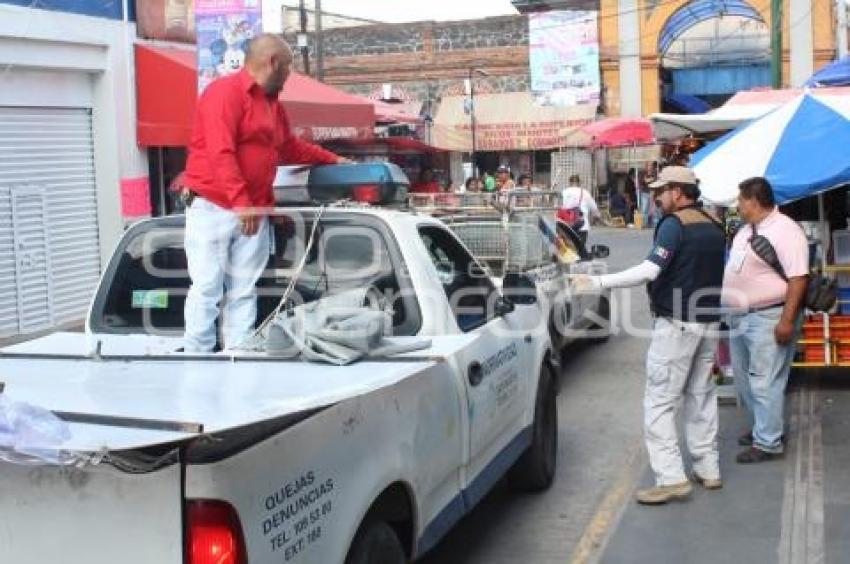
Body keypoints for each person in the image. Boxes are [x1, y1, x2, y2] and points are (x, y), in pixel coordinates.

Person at [181, 34, 346, 353]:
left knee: (243, 290)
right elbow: (221, 152)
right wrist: (242, 204)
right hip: (215, 207)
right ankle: (197, 355)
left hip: (253, 209)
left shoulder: (272, 105)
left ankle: (238, 354)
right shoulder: (224, 93)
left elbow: (289, 147)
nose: (289, 74)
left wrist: (332, 159)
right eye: (288, 66)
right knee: (207, 288)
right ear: (273, 63)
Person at [577, 166, 727, 504]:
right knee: (701, 397)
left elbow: (649, 271)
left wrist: (598, 282)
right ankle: (708, 468)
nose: (656, 198)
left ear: (677, 191)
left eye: (660, 191)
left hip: (677, 325)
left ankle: (671, 477)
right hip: (709, 323)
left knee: (659, 401)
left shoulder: (675, 226)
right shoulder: (714, 224)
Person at [722, 177, 808, 464]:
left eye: (740, 200)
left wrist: (786, 321)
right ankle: (765, 428)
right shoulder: (746, 230)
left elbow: (798, 280)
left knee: (765, 381)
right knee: (746, 380)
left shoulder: (786, 231)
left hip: (768, 316)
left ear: (753, 201)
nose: (737, 205)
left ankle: (768, 442)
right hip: (740, 317)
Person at [560, 174, 601, 245]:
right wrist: (597, 216)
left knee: (567, 250)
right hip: (582, 226)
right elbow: (594, 208)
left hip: (566, 226)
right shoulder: (585, 193)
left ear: (569, 183)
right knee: (580, 249)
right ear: (579, 183)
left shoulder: (563, 192)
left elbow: (558, 207)